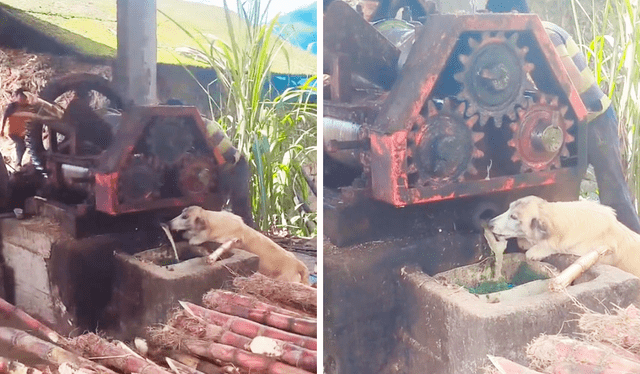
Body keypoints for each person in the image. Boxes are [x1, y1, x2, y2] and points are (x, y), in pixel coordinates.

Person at [486, 0, 640, 233]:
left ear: (513, 12)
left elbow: (572, 84)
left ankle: (633, 252)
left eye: (496, 18)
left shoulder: (546, 33)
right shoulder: (528, 38)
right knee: (565, 193)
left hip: (595, 118)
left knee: (615, 195)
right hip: (574, 123)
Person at [165, 99, 254, 227]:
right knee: (217, 208)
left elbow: (228, 156)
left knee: (240, 209)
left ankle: (250, 239)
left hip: (236, 166)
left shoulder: (203, 126)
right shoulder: (189, 129)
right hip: (227, 168)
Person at [1, 88, 63, 169]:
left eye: (24, 97)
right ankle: (18, 163)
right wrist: (2, 130)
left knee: (22, 145)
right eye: (21, 97)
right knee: (21, 144)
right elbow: (5, 117)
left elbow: (33, 118)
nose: (23, 99)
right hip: (12, 132)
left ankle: (19, 162)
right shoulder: (12, 107)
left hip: (21, 132)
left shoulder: (28, 106)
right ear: (16, 97)